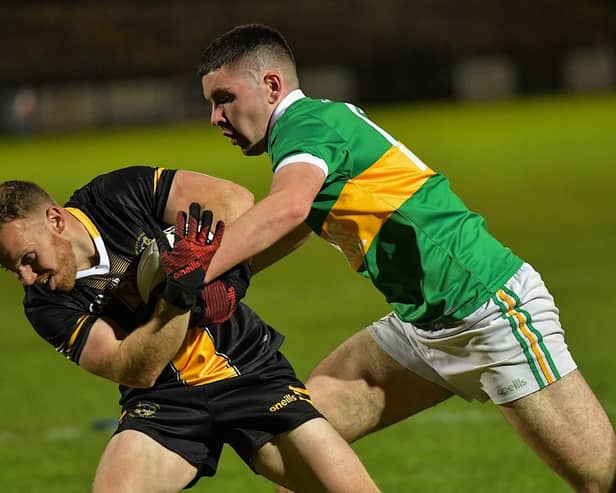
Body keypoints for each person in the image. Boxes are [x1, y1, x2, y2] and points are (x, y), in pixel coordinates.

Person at [197, 23, 616, 492]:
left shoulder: (304, 127)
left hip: (489, 310)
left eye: (224, 98)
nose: (215, 117)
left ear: (272, 86)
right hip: (420, 329)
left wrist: (195, 271)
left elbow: (288, 207)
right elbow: (298, 225)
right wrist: (234, 273)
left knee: (601, 478)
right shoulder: (312, 126)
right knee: (300, 448)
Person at [0, 166, 381, 493]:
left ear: (54, 219)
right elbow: (134, 369)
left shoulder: (115, 196)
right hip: (164, 403)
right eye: (13, 269)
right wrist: (180, 297)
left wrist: (217, 277)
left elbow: (234, 201)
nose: (28, 277)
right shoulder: (44, 306)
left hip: (246, 371)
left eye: (28, 260)